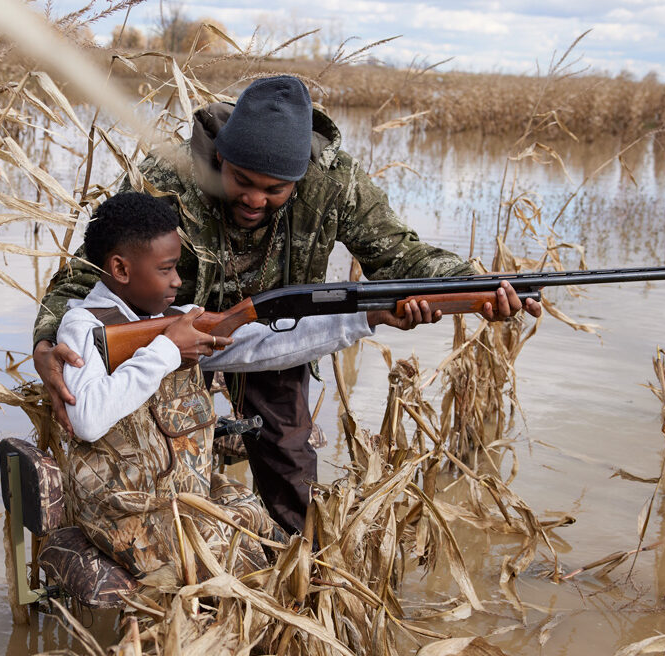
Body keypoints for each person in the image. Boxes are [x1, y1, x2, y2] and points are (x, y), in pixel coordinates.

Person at [35, 76, 542, 534]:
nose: (255, 200)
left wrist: (474, 291)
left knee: (290, 468)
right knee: (165, 468)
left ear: (300, 179)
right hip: (168, 336)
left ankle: (295, 582)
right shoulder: (169, 175)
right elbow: (94, 268)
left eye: (274, 190)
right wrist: (47, 341)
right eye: (242, 181)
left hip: (277, 334)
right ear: (219, 160)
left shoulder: (336, 182)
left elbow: (400, 258)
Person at [57, 192, 434, 589]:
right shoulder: (84, 327)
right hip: (122, 512)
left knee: (277, 540)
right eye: (166, 269)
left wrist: (368, 317)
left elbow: (264, 343)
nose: (178, 280)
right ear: (120, 268)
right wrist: (168, 350)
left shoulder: (176, 320)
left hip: (182, 498)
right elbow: (87, 418)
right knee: (250, 570)